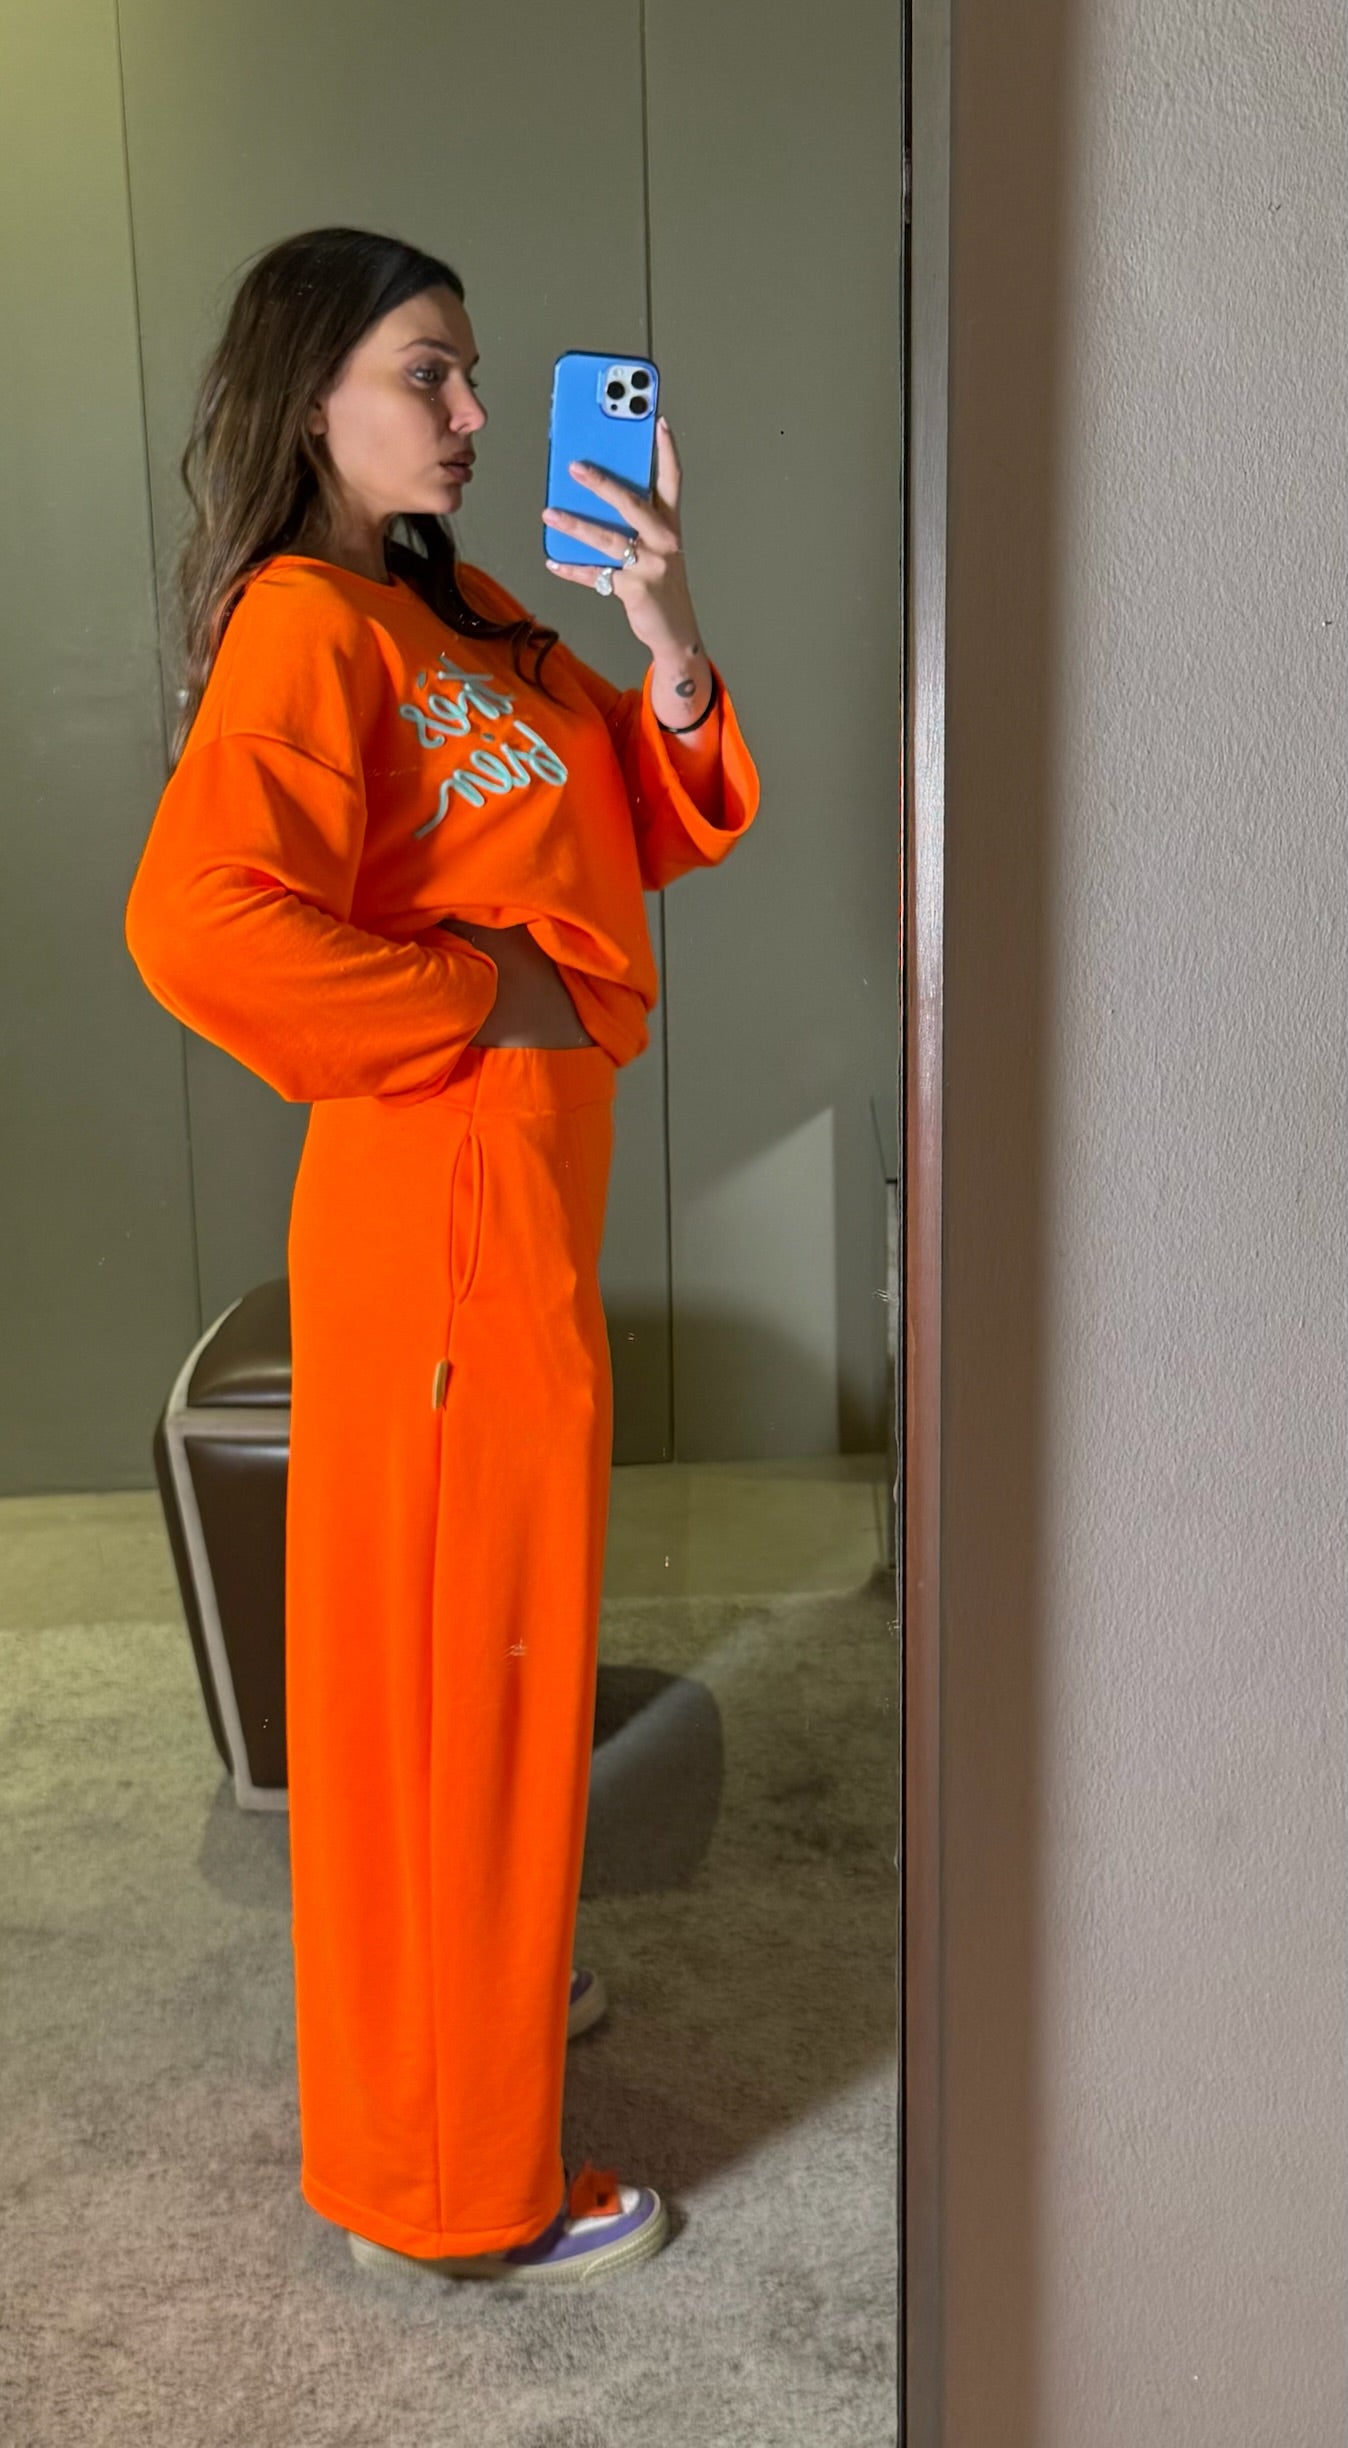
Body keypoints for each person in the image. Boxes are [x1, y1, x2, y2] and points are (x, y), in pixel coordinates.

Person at [123, 226, 761, 2288]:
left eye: (476, 374)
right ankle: (451, 2192)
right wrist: (475, 998)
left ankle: (469, 2020)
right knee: (447, 1687)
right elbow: (200, 924)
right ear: (312, 394)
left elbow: (634, 821)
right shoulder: (310, 625)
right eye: (430, 373)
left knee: (484, 1668)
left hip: (514, 1216)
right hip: (443, 1222)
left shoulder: (461, 613)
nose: (475, 412)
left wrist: (663, 633)